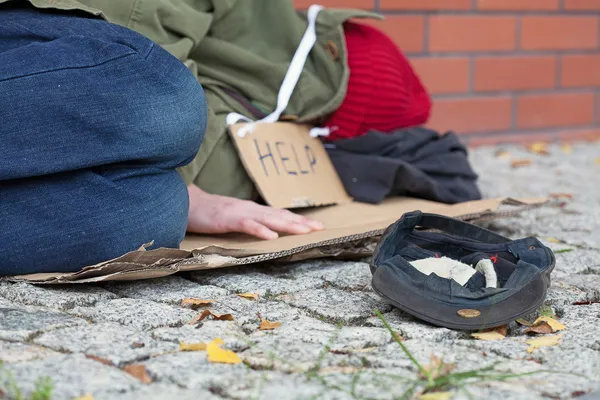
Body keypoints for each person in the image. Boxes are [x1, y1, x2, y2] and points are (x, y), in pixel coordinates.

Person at [0, 0, 431, 276]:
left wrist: (190, 195)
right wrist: (194, 186)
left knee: (155, 216)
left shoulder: (242, 92)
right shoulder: (250, 18)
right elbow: (133, 15)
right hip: (37, 30)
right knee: (168, 102)